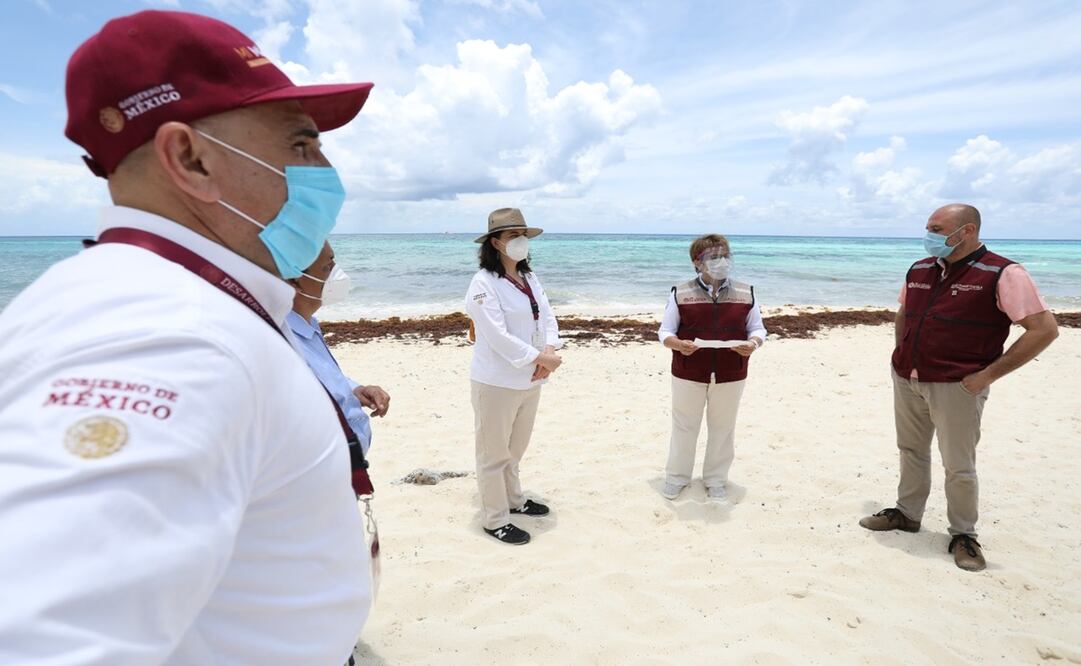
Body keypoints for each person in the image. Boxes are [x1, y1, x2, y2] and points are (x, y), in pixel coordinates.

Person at [0, 10, 376, 664]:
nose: (325, 168)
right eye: (300, 144)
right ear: (191, 160)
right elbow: (44, 639)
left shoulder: (169, 298)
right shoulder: (167, 337)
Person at [860, 204, 1059, 572]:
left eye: (936, 228)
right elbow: (904, 313)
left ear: (966, 231)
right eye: (928, 227)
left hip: (958, 386)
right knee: (910, 450)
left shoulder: (1003, 272)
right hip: (908, 378)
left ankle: (964, 534)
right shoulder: (919, 269)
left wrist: (987, 376)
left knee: (959, 465)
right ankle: (907, 514)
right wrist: (899, 354)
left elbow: (1044, 329)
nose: (929, 235)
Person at [465, 208, 563, 545]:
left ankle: (515, 500)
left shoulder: (529, 277)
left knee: (515, 449)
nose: (520, 241)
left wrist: (548, 353)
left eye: (523, 234)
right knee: (493, 454)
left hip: (531, 378)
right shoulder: (483, 283)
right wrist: (541, 358)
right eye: (512, 236)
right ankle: (495, 518)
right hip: (496, 382)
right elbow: (495, 334)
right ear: (495, 242)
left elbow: (548, 316)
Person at [658, 234, 766, 504]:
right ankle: (677, 478)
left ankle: (716, 480)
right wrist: (677, 344)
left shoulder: (746, 291)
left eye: (726, 255)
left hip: (732, 371)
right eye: (715, 256)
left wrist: (754, 343)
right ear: (698, 262)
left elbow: (757, 328)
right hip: (688, 370)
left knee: (723, 427)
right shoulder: (680, 292)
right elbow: (665, 331)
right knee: (684, 425)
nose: (723, 261)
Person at [287, 242, 391, 461]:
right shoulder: (284, 340)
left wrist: (355, 389)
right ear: (295, 280)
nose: (337, 274)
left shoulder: (307, 324)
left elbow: (321, 379)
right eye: (327, 267)